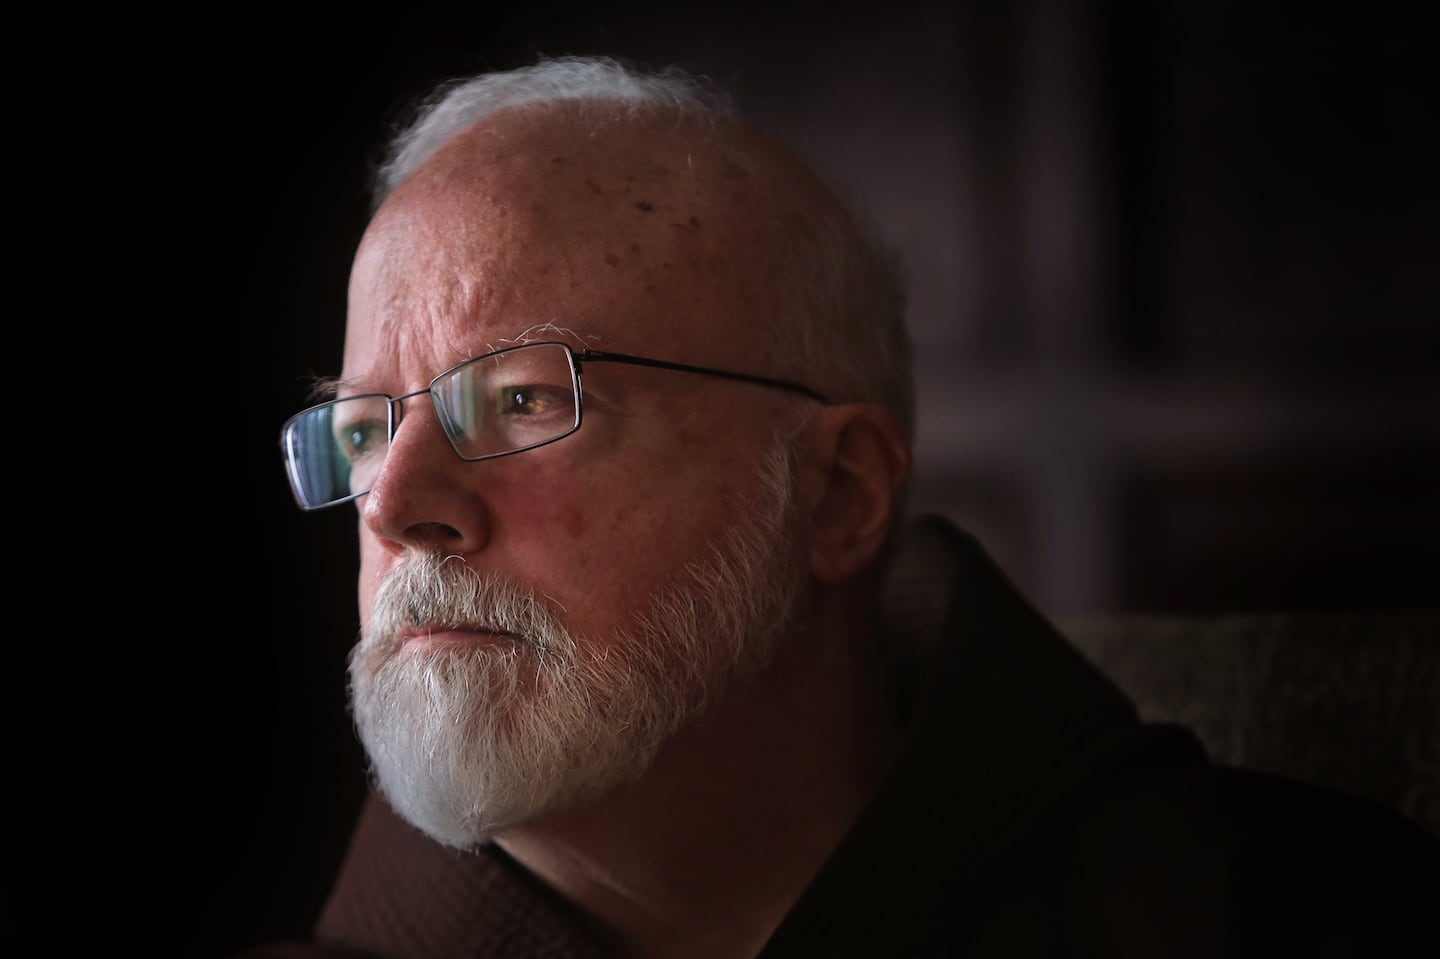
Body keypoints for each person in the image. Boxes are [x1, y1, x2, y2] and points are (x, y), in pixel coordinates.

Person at [248, 55, 1439, 958]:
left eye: (514, 401)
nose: (397, 502)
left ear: (837, 494)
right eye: (362, 427)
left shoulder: (1288, 908)